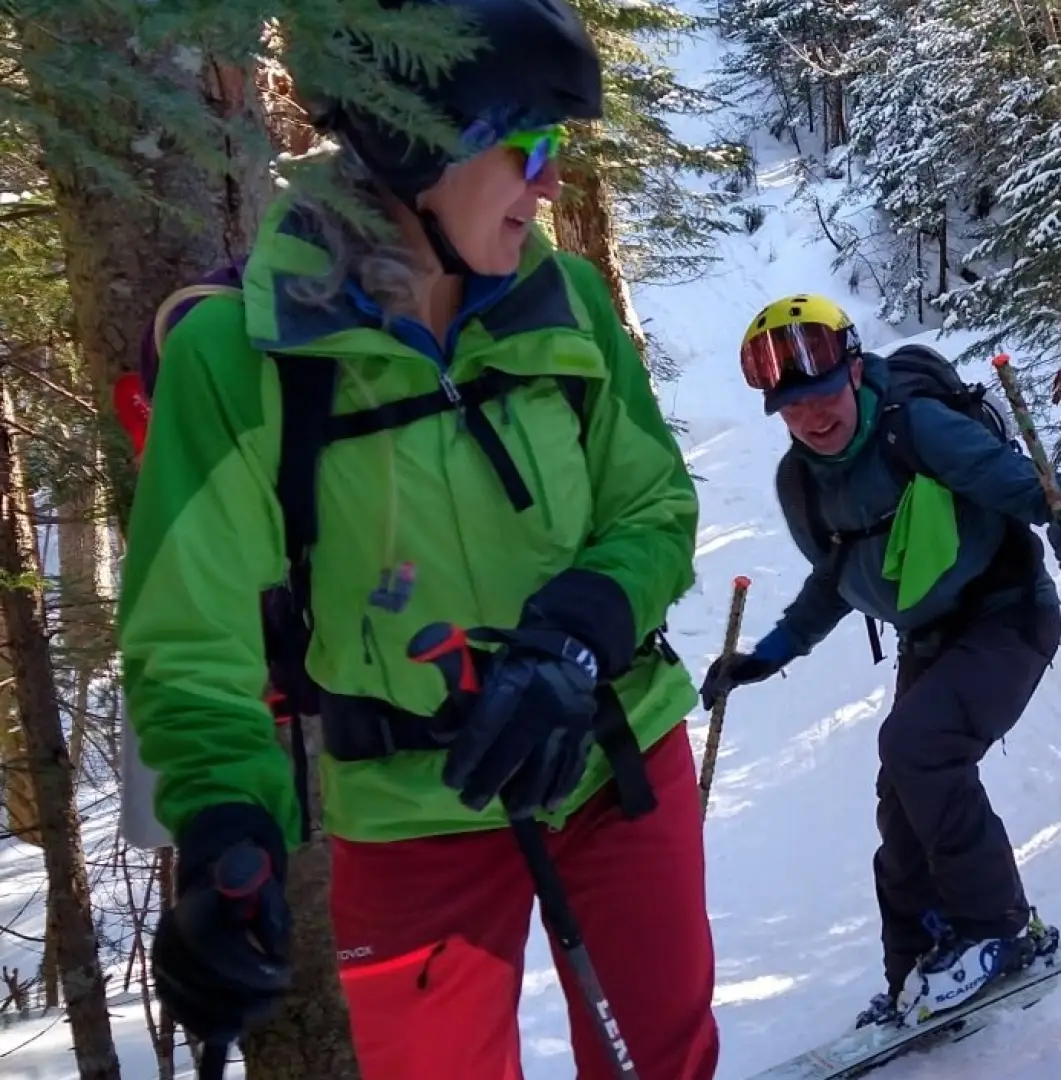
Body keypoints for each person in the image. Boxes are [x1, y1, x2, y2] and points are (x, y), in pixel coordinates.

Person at [116, 2, 717, 1077]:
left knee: (662, 1061)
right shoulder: (243, 353)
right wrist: (224, 832)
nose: (552, 182)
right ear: (418, 146)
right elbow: (191, 636)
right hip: (406, 814)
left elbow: (656, 510)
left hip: (610, 757)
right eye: (529, 145)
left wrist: (575, 640)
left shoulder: (566, 302)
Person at [698, 295, 1061, 1028]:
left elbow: (1038, 487)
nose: (814, 416)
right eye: (792, 407)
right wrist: (766, 655)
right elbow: (834, 581)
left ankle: (1003, 930)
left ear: (854, 372)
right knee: (902, 807)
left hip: (1006, 615)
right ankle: (917, 974)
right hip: (931, 640)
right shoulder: (801, 484)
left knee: (917, 748)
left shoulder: (917, 430)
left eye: (824, 394)